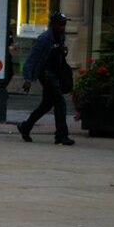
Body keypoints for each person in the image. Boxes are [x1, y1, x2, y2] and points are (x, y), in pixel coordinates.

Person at [17, 11, 75, 146]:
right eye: (61, 25)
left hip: (56, 74)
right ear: (53, 24)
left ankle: (25, 126)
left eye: (64, 25)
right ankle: (61, 135)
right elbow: (32, 58)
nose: (63, 28)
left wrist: (62, 51)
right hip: (47, 75)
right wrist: (28, 79)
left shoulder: (60, 37)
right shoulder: (44, 38)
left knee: (46, 105)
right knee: (60, 102)